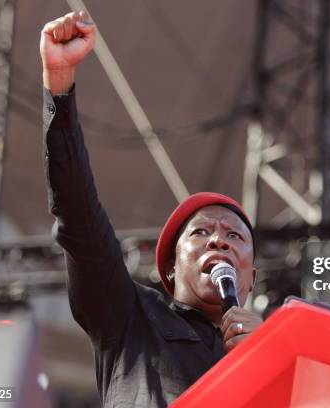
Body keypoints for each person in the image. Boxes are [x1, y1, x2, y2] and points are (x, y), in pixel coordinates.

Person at [40, 11, 263, 407]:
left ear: (251, 279)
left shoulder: (270, 356)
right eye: (200, 232)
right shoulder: (129, 316)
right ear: (171, 267)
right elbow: (78, 213)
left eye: (233, 236)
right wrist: (59, 85)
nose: (219, 240)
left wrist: (267, 359)